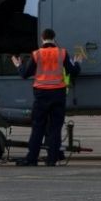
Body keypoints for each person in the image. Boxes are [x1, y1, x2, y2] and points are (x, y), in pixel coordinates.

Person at [12, 28, 80, 166]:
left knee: (38, 127)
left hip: (41, 95)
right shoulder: (62, 53)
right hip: (58, 94)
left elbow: (25, 74)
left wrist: (19, 65)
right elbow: (74, 71)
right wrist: (77, 62)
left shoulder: (37, 54)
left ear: (42, 38)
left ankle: (32, 159)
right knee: (55, 128)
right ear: (54, 38)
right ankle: (52, 159)